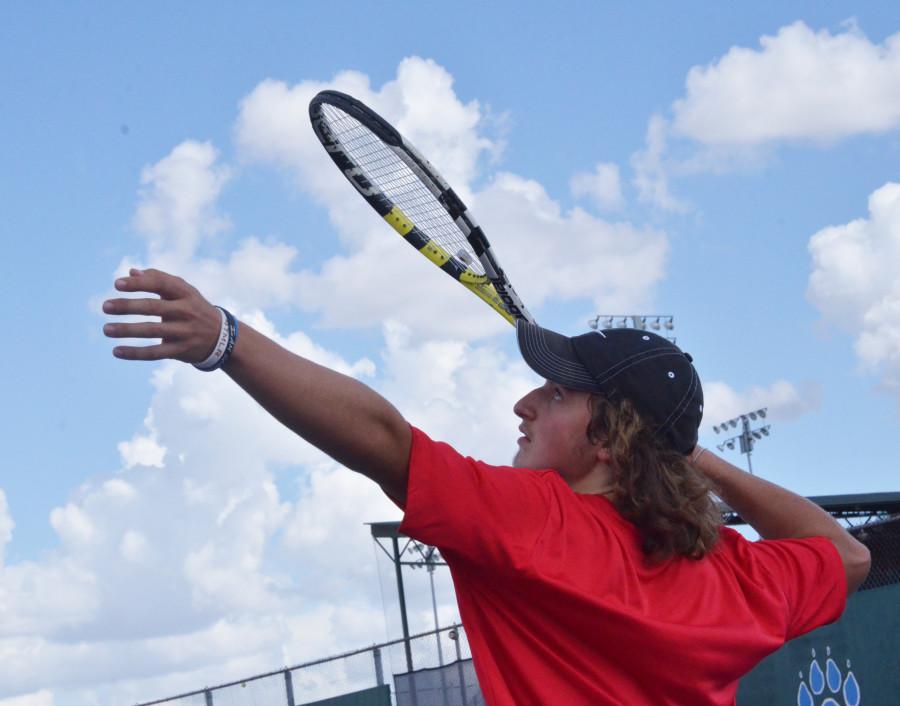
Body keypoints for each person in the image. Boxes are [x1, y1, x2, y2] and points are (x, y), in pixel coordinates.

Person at [103, 268, 870, 706]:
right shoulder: (736, 575)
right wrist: (693, 454)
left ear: (611, 435)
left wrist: (227, 342)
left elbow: (382, 439)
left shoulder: (536, 525)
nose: (525, 403)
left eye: (558, 395)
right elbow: (845, 555)